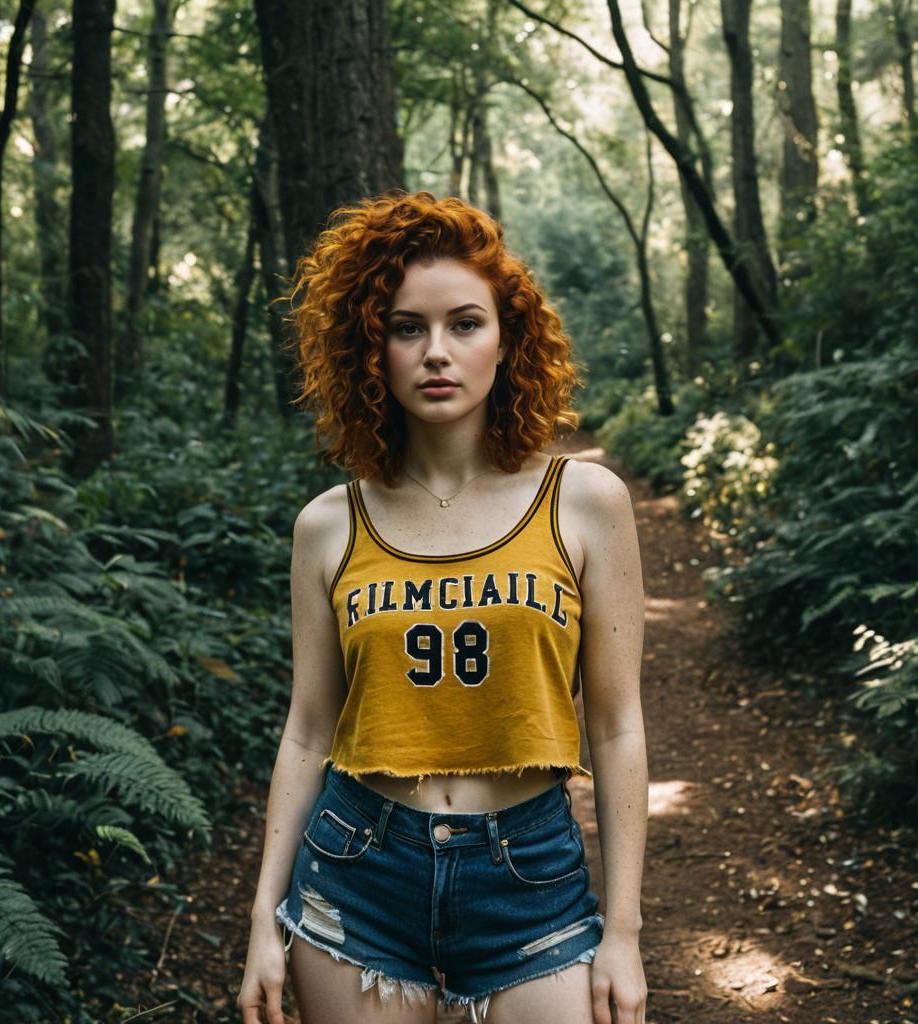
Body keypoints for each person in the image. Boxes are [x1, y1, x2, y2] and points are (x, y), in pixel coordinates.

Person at [238, 190, 648, 1024]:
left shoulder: (586, 503)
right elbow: (309, 729)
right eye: (405, 327)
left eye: (464, 323)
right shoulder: (327, 525)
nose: (436, 352)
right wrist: (259, 919)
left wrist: (626, 931)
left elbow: (615, 726)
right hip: (358, 873)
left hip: (529, 881)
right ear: (373, 350)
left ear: (508, 340)